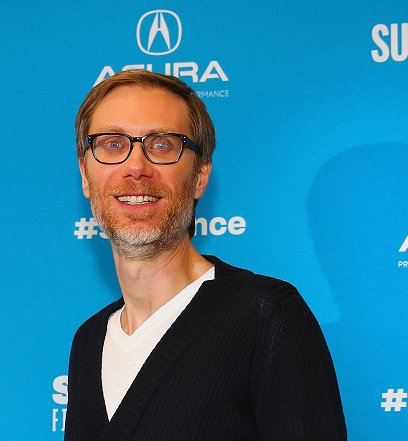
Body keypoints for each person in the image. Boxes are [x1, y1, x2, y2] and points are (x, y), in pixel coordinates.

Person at [66, 70, 346, 441]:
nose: (136, 167)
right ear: (85, 175)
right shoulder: (88, 341)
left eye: (162, 145)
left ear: (200, 175)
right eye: (113, 144)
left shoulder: (266, 316)